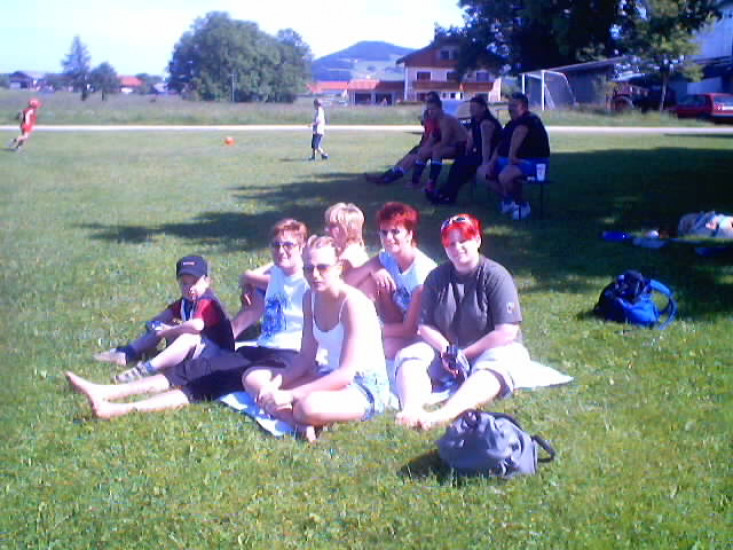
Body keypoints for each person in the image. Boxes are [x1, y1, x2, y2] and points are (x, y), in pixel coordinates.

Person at [66, 219, 310, 419]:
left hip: (287, 356)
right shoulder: (276, 272)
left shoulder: (308, 281)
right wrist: (249, 282)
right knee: (192, 369)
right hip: (260, 349)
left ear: (302, 248)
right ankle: (107, 392)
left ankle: (118, 410)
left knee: (204, 385)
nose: (281, 251)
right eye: (276, 245)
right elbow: (253, 274)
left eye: (289, 245)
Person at [243, 236, 390, 441]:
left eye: (323, 268)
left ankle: (291, 414)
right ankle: (294, 421)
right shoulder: (310, 297)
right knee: (253, 377)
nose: (315, 275)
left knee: (306, 406)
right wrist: (275, 384)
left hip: (363, 385)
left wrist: (289, 394)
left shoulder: (353, 303)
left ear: (338, 268)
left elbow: (346, 374)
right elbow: (305, 357)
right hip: (327, 372)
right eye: (308, 269)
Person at [394, 213, 531, 430]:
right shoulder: (436, 277)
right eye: (450, 243)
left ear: (477, 240)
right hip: (449, 352)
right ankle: (411, 409)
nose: (457, 248)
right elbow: (424, 326)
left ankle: (444, 414)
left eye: (463, 241)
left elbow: (506, 331)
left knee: (497, 365)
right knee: (410, 356)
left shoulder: (496, 276)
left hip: (492, 349)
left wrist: (464, 355)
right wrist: (447, 351)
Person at [94, 255, 234, 383]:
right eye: (184, 283)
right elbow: (160, 318)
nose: (190, 288)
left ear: (207, 282)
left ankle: (146, 369)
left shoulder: (208, 301)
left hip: (218, 355)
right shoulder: (185, 302)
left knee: (187, 337)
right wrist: (156, 326)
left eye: (194, 282)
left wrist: (168, 331)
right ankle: (128, 352)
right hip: (200, 350)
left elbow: (196, 326)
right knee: (164, 326)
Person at [344, 202, 437, 359]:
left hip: (425, 335)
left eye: (395, 232)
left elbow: (410, 329)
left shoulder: (422, 273)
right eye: (384, 232)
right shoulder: (388, 257)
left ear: (409, 234)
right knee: (366, 280)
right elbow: (347, 282)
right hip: (397, 321)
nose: (388, 238)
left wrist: (369, 330)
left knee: (379, 348)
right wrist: (373, 267)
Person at [426, 95, 502, 205]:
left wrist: (485, 163)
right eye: (471, 107)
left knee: (462, 166)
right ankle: (446, 193)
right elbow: (471, 138)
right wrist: (467, 153)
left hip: (491, 155)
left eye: (474, 107)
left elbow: (487, 144)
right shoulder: (475, 121)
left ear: (483, 108)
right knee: (458, 164)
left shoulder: (487, 123)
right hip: (479, 153)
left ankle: (447, 194)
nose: (471, 110)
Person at [486, 92, 550, 220]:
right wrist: (491, 162)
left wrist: (511, 156)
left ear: (524, 107)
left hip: (532, 162)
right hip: (511, 161)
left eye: (514, 105)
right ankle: (509, 201)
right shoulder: (510, 124)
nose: (510, 108)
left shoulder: (529, 120)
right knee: (484, 172)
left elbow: (519, 133)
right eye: (509, 105)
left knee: (505, 176)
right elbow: (501, 145)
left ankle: (522, 205)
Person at [363, 92, 441, 185]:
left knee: (408, 162)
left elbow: (435, 136)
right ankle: (382, 177)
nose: (428, 104)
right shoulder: (428, 116)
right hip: (423, 144)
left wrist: (424, 147)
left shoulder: (439, 119)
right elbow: (427, 132)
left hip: (430, 146)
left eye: (430, 101)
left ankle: (387, 180)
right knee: (402, 161)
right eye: (427, 101)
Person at [409, 95, 468, 192]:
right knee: (423, 152)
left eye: (433, 109)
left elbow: (445, 141)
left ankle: (431, 184)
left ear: (440, 109)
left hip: (462, 147)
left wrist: (431, 148)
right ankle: (415, 182)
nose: (430, 112)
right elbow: (432, 137)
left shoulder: (446, 120)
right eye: (428, 110)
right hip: (451, 146)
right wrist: (424, 149)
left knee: (437, 151)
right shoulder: (437, 120)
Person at [324, 202, 370, 273]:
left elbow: (328, 277)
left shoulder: (351, 256)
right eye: (327, 224)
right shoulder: (346, 251)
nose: (326, 229)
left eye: (333, 225)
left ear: (350, 228)